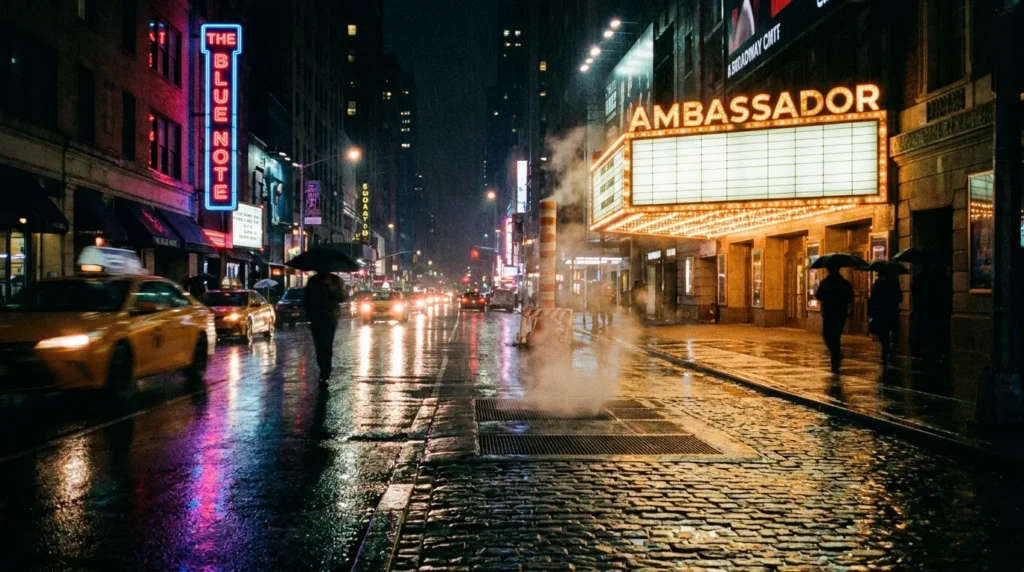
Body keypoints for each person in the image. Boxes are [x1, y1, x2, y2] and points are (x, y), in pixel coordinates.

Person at [303, 269, 347, 387]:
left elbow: (343, 297)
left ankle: (325, 374)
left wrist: (331, 288)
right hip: (316, 317)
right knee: (319, 346)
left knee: (327, 345)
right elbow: (306, 298)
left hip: (330, 318)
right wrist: (308, 315)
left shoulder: (336, 281)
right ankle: (322, 369)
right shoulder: (313, 281)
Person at [814, 265, 854, 373]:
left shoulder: (826, 282)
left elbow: (818, 296)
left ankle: (835, 353)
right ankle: (836, 353)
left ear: (828, 270)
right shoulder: (845, 283)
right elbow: (850, 297)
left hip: (829, 312)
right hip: (841, 312)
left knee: (828, 334)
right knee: (836, 334)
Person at [868, 269, 903, 365]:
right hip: (892, 310)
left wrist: (870, 310)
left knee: (882, 331)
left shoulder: (878, 282)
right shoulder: (895, 283)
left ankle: (886, 347)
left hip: (881, 310)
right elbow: (900, 297)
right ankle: (887, 347)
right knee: (887, 329)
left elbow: (873, 297)